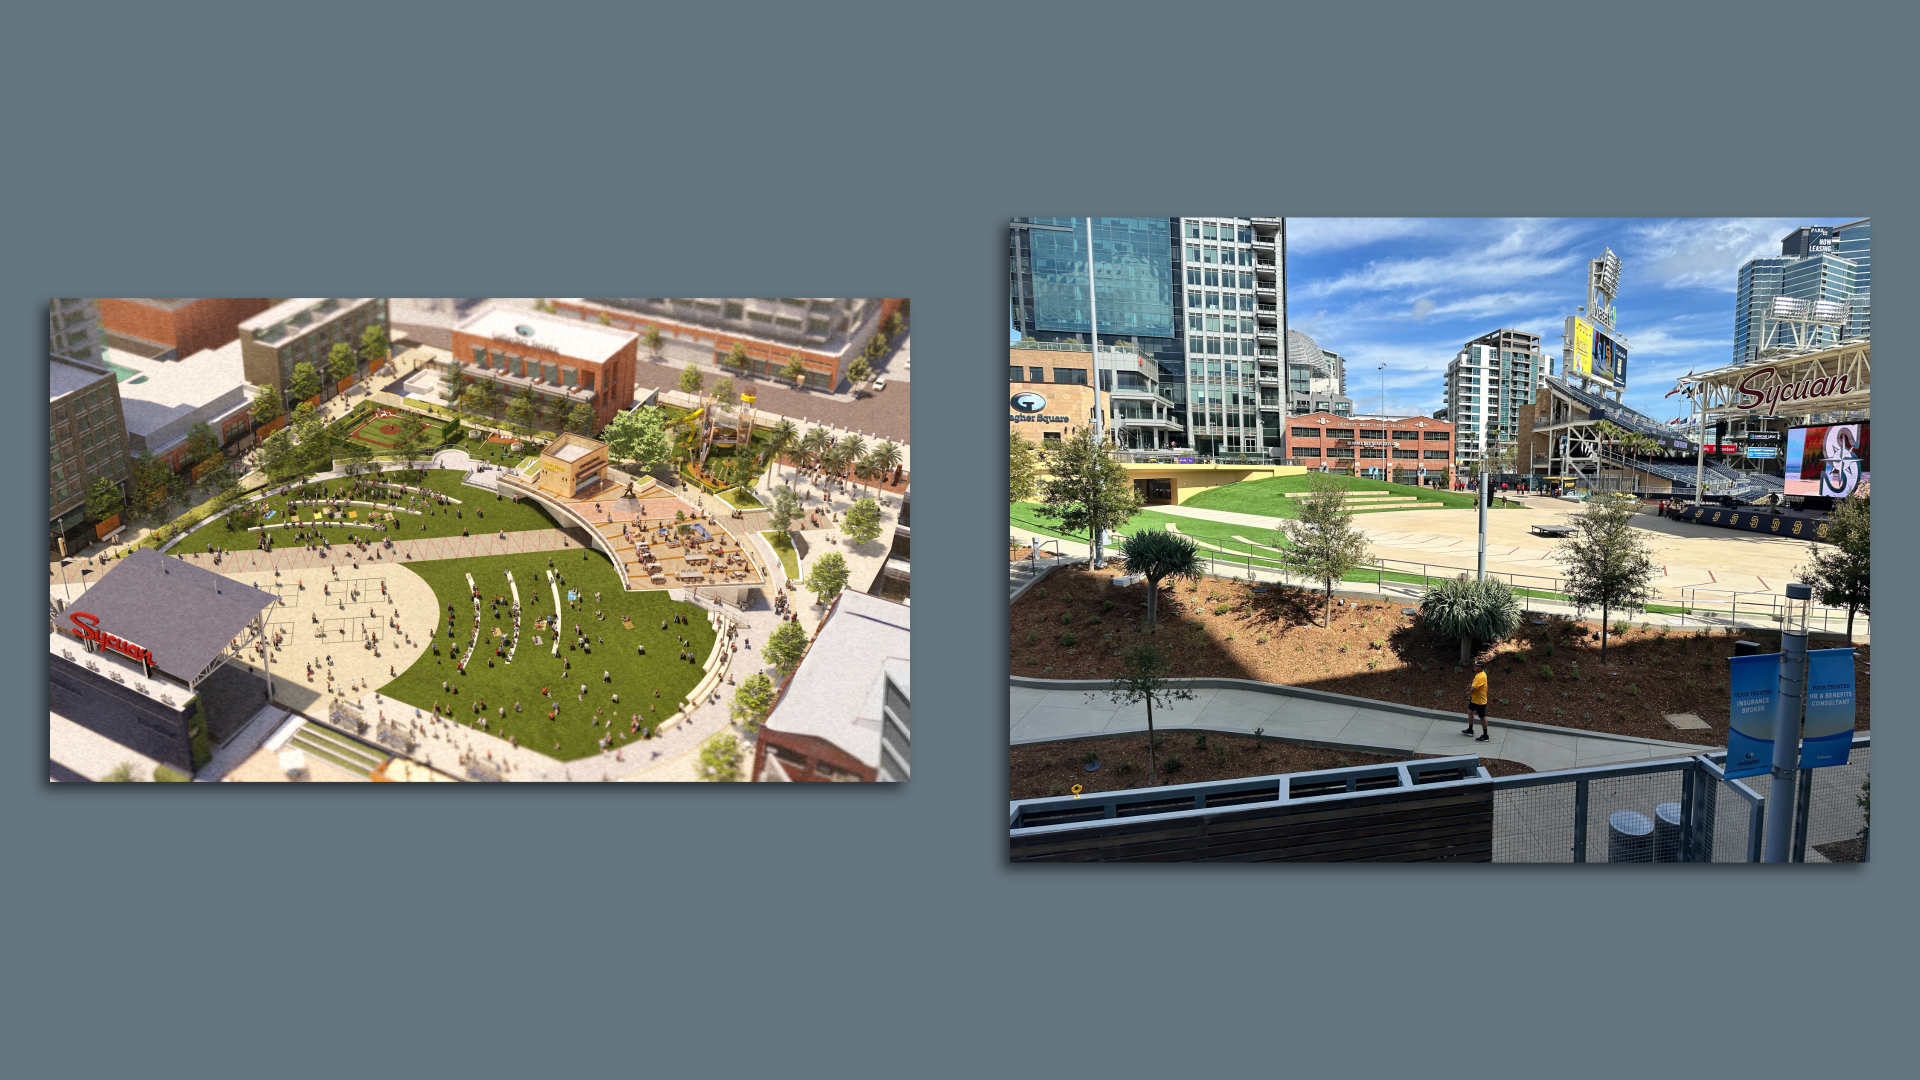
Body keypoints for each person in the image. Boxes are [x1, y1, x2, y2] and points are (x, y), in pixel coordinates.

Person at [1461, 659, 1490, 742]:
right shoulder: (1479, 674)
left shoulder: (1481, 676)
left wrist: (1468, 692)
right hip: (1475, 699)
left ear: (1480, 667)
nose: (1474, 667)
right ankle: (1470, 730)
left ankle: (1485, 736)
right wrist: (1471, 686)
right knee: (1470, 711)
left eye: (1476, 666)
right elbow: (1475, 685)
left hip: (1480, 701)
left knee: (1482, 717)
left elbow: (1473, 689)